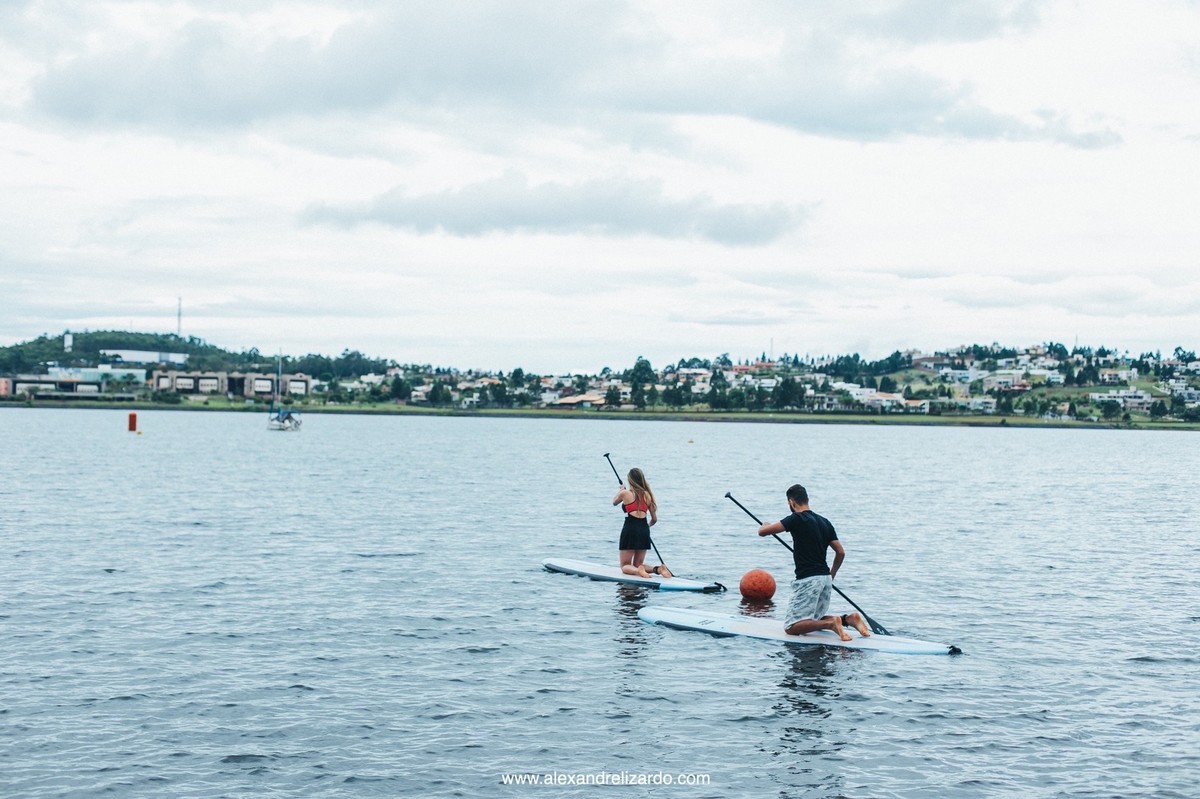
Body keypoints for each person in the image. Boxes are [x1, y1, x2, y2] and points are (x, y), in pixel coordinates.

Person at [756, 483, 870, 640]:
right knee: (811, 620)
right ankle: (848, 619)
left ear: (791, 502)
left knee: (791, 627)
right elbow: (840, 552)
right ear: (807, 499)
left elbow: (762, 532)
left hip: (808, 580)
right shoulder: (824, 522)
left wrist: (765, 525)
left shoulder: (795, 519)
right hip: (825, 579)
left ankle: (830, 624)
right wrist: (832, 574)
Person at [612, 468, 670, 578]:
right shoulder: (648, 495)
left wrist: (621, 490)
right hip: (643, 529)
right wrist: (644, 527)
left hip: (630, 528)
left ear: (630, 480)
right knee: (638, 564)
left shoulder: (625, 493)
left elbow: (614, 502)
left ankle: (639, 571)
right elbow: (654, 519)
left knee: (625, 565)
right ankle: (658, 569)